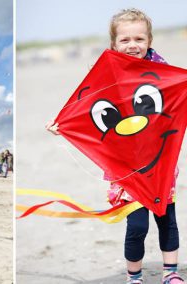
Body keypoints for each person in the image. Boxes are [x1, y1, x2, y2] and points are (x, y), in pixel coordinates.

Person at [46, 9, 183, 284]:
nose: (133, 45)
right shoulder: (105, 73)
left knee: (167, 220)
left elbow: (177, 96)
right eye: (125, 40)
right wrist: (62, 124)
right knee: (137, 226)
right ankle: (134, 277)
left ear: (149, 40)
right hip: (126, 170)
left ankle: (171, 274)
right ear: (114, 43)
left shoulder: (162, 71)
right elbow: (86, 108)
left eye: (139, 38)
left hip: (159, 165)